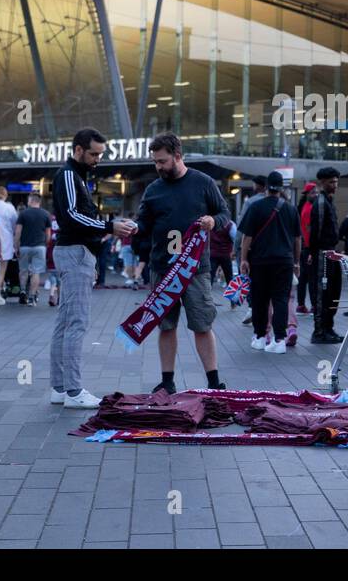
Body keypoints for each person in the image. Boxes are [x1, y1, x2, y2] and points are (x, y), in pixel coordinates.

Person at [127, 133, 231, 392]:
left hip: (195, 269)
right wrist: (133, 228)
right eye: (155, 162)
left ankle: (214, 381)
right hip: (162, 268)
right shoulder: (153, 190)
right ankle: (167, 381)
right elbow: (144, 223)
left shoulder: (203, 182)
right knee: (166, 326)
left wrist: (212, 222)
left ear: (177, 156)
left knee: (202, 325)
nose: (158, 167)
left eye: (162, 161)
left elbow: (224, 214)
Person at [50, 129, 132, 407]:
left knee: (66, 323)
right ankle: (72, 391)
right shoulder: (70, 175)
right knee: (76, 323)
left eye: (100, 154)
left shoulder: (74, 176)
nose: (98, 159)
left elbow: (74, 217)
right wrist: (110, 227)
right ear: (78, 150)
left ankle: (61, 388)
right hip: (74, 252)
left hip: (74, 252)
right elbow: (73, 216)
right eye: (94, 153)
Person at [237, 170, 300, 353]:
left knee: (260, 300)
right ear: (282, 187)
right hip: (284, 261)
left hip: (260, 261)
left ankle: (260, 337)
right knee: (281, 299)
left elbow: (247, 237)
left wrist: (243, 259)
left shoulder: (256, 207)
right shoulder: (290, 209)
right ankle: (279, 340)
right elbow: (297, 239)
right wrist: (296, 262)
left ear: (265, 187)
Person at [306, 167, 345, 344]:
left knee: (332, 291)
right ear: (322, 183)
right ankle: (320, 331)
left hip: (331, 252)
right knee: (323, 293)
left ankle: (328, 328)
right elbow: (316, 231)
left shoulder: (328, 201)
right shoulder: (320, 203)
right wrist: (314, 253)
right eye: (331, 182)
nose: (335, 185)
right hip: (323, 254)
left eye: (336, 181)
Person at [15, 192, 51, 306]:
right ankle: (31, 298)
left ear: (30, 201)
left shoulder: (23, 214)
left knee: (23, 270)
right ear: (39, 202)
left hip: (25, 246)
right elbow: (48, 234)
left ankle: (22, 291)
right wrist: (46, 244)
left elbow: (18, 232)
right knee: (36, 272)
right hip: (40, 247)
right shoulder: (46, 214)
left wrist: (16, 246)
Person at [0, 186, 18, 306]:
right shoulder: (9, 207)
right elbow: (15, 225)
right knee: (1, 271)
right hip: (6, 241)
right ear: (6, 195)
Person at [295, 182, 316, 317]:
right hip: (308, 248)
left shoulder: (305, 207)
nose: (316, 194)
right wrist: (311, 249)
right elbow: (308, 231)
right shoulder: (309, 209)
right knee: (311, 278)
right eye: (313, 192)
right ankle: (313, 305)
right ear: (307, 194)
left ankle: (301, 304)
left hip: (305, 247)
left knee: (304, 278)